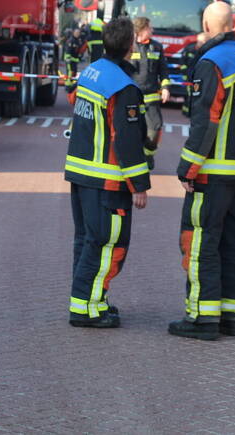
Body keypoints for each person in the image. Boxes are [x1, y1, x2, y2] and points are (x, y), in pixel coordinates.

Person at [171, 2, 235, 341]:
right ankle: (231, 317)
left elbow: (206, 121)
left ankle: (202, 319)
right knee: (234, 244)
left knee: (201, 243)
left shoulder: (211, 62)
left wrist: (187, 168)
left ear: (206, 25)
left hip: (212, 174)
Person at [63, 17, 152, 329]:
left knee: (87, 241)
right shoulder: (123, 87)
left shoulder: (92, 72)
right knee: (106, 244)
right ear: (131, 46)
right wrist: (139, 185)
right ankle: (85, 310)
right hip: (107, 181)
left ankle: (91, 302)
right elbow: (127, 140)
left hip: (81, 173)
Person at [129, 18, 171, 163]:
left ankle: (148, 155)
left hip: (151, 97)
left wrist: (165, 88)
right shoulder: (129, 46)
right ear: (140, 29)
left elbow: (164, 70)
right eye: (149, 28)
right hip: (132, 96)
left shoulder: (157, 47)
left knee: (155, 129)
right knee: (131, 130)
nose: (152, 30)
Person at [179, 32, 208, 117]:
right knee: (190, 95)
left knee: (196, 95)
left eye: (202, 42)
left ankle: (191, 112)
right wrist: (185, 73)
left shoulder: (206, 52)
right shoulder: (189, 49)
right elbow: (182, 61)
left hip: (200, 78)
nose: (199, 43)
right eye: (199, 41)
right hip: (189, 78)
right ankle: (187, 112)